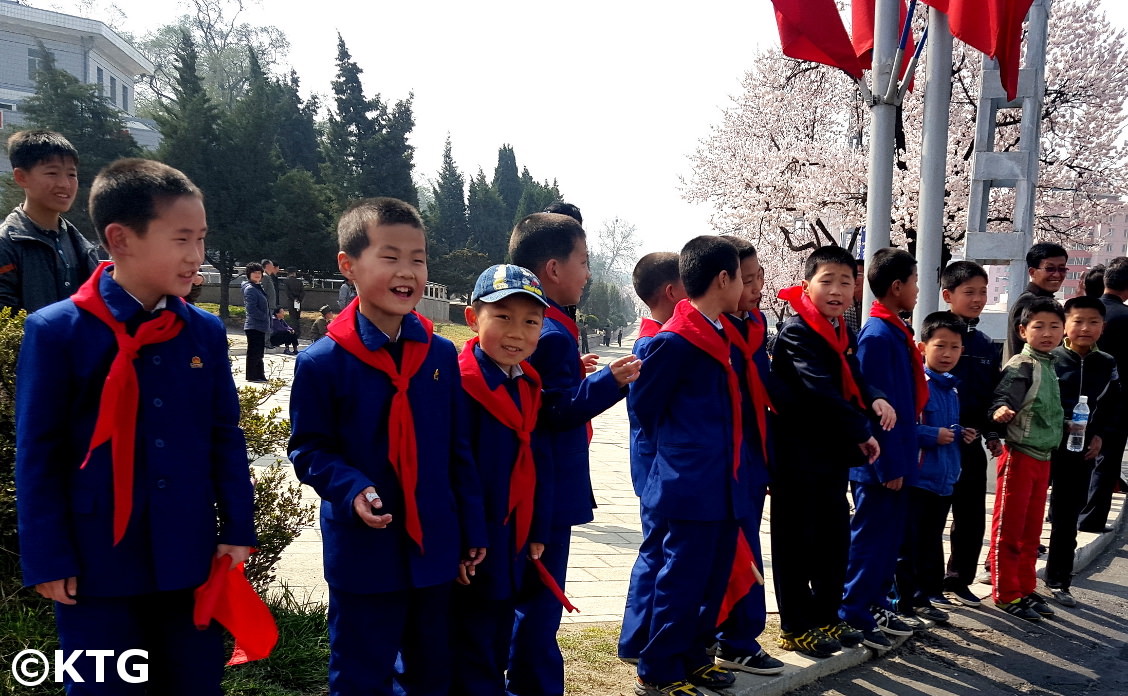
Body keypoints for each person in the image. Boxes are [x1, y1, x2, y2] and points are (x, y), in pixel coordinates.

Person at [14, 158, 257, 693]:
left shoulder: (202, 334)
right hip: (94, 564)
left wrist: (238, 526)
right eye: (182, 240)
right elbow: (38, 452)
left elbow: (224, 433)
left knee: (192, 680)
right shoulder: (58, 332)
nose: (197, 257)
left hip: (188, 557)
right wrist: (47, 555)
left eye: (202, 239)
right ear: (121, 239)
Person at [288, 197, 487, 696]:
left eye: (418, 259)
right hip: (365, 551)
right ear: (348, 266)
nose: (408, 271)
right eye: (391, 256)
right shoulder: (322, 363)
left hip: (434, 546)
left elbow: (457, 449)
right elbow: (309, 449)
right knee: (360, 670)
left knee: (431, 669)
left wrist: (470, 530)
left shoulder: (441, 355)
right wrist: (350, 487)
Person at [506, 212, 639, 696]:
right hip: (546, 488)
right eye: (582, 261)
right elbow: (554, 413)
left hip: (532, 487)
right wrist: (610, 381)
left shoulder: (551, 328)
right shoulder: (552, 332)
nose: (588, 273)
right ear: (553, 269)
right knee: (540, 604)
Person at [630, 236, 748, 695]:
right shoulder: (675, 341)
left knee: (711, 578)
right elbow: (644, 408)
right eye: (740, 276)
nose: (743, 286)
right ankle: (659, 668)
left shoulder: (717, 331)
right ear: (723, 278)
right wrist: (683, 453)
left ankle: (695, 657)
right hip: (688, 484)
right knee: (680, 582)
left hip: (721, 483)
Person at [771, 246, 889, 658]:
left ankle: (825, 616)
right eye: (827, 281)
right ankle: (795, 625)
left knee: (832, 539)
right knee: (796, 542)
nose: (838, 290)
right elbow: (819, 390)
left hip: (829, 454)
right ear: (806, 286)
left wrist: (873, 398)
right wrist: (860, 429)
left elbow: (855, 375)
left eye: (846, 282)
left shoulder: (839, 329)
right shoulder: (799, 330)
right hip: (798, 456)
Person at [450, 264, 550, 695]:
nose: (517, 333)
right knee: (468, 641)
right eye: (503, 317)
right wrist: (467, 538)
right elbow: (457, 469)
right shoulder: (460, 383)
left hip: (512, 534)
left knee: (498, 631)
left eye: (530, 322)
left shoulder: (527, 382)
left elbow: (537, 461)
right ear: (474, 318)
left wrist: (537, 529)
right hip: (472, 539)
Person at [840, 247, 920, 647]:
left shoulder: (893, 330)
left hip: (897, 457)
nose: (919, 290)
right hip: (879, 464)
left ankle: (874, 604)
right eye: (915, 282)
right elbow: (871, 407)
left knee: (887, 542)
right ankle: (854, 611)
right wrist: (887, 465)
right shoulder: (877, 335)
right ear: (896, 286)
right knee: (870, 542)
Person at [713, 237, 786, 675]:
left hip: (754, 452)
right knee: (731, 550)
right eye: (748, 278)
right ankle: (732, 638)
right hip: (725, 458)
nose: (758, 286)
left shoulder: (754, 326)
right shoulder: (712, 333)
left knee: (747, 547)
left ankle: (739, 636)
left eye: (760, 277)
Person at [619, 251, 686, 664]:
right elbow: (646, 410)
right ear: (671, 291)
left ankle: (637, 635)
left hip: (655, 460)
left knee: (656, 547)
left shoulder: (655, 336)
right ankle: (636, 636)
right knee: (655, 549)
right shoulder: (652, 342)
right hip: (655, 462)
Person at [988, 296, 1065, 622]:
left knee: (1032, 531)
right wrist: (1000, 411)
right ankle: (1006, 593)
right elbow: (1003, 396)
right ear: (1022, 330)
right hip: (1019, 455)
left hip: (1042, 457)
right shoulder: (1024, 364)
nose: (1047, 333)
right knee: (1010, 529)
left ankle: (1024, 586)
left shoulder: (1049, 364)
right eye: (1039, 326)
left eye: (1054, 327)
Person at [892, 311, 967, 623]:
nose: (947, 354)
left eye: (954, 347)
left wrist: (961, 433)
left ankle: (924, 598)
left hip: (944, 479)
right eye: (940, 346)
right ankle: (903, 603)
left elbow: (950, 428)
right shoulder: (917, 385)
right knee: (909, 545)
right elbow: (904, 427)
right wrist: (932, 435)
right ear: (922, 348)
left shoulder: (951, 388)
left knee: (930, 544)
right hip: (920, 479)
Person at [1046, 296, 1120, 607]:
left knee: (1067, 515)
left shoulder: (1107, 363)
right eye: (1078, 321)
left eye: (1093, 322)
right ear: (1065, 324)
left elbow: (1112, 405)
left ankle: (1059, 580)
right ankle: (1005, 572)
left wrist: (1100, 436)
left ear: (1102, 327)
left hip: (1080, 451)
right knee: (1023, 511)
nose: (1085, 328)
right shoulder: (1051, 358)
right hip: (1043, 445)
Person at [939, 261, 1003, 607]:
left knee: (970, 514)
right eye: (970, 292)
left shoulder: (985, 344)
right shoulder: (935, 336)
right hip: (939, 442)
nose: (978, 299)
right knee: (932, 515)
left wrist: (990, 431)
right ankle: (926, 580)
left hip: (971, 441)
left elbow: (992, 393)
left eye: (983, 292)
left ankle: (958, 578)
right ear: (948, 295)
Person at [0, 129, 99, 312]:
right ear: (21, 177)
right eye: (52, 173)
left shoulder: (81, 246)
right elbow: (6, 324)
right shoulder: (6, 245)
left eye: (72, 174)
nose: (65, 184)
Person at [1080, 257, 1128, 533]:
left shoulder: (1084, 315)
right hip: (1117, 401)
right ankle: (1092, 518)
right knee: (1106, 460)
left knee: (1074, 455)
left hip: (1079, 394)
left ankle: (1062, 511)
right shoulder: (1125, 317)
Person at [1006, 242, 1068, 360]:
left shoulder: (1045, 300)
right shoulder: (1027, 302)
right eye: (1050, 269)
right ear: (1032, 272)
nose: (1057, 275)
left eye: (1062, 269)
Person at [241, 262, 270, 382]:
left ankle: (259, 375)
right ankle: (253, 375)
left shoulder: (258, 287)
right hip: (254, 325)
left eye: (259, 272)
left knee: (259, 352)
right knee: (254, 352)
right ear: (249, 274)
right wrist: (264, 316)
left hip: (260, 325)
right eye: (255, 273)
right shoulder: (250, 289)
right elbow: (251, 309)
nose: (257, 275)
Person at [843, 258, 865, 334]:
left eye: (858, 274)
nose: (854, 278)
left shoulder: (874, 303)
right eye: (851, 274)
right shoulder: (842, 305)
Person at [284, 268, 306, 336]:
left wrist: (293, 299)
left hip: (291, 301)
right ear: (294, 273)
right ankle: (298, 331)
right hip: (298, 301)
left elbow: (288, 292)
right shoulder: (299, 282)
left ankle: (293, 331)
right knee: (297, 316)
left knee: (292, 317)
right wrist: (299, 299)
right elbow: (303, 292)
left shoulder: (286, 282)